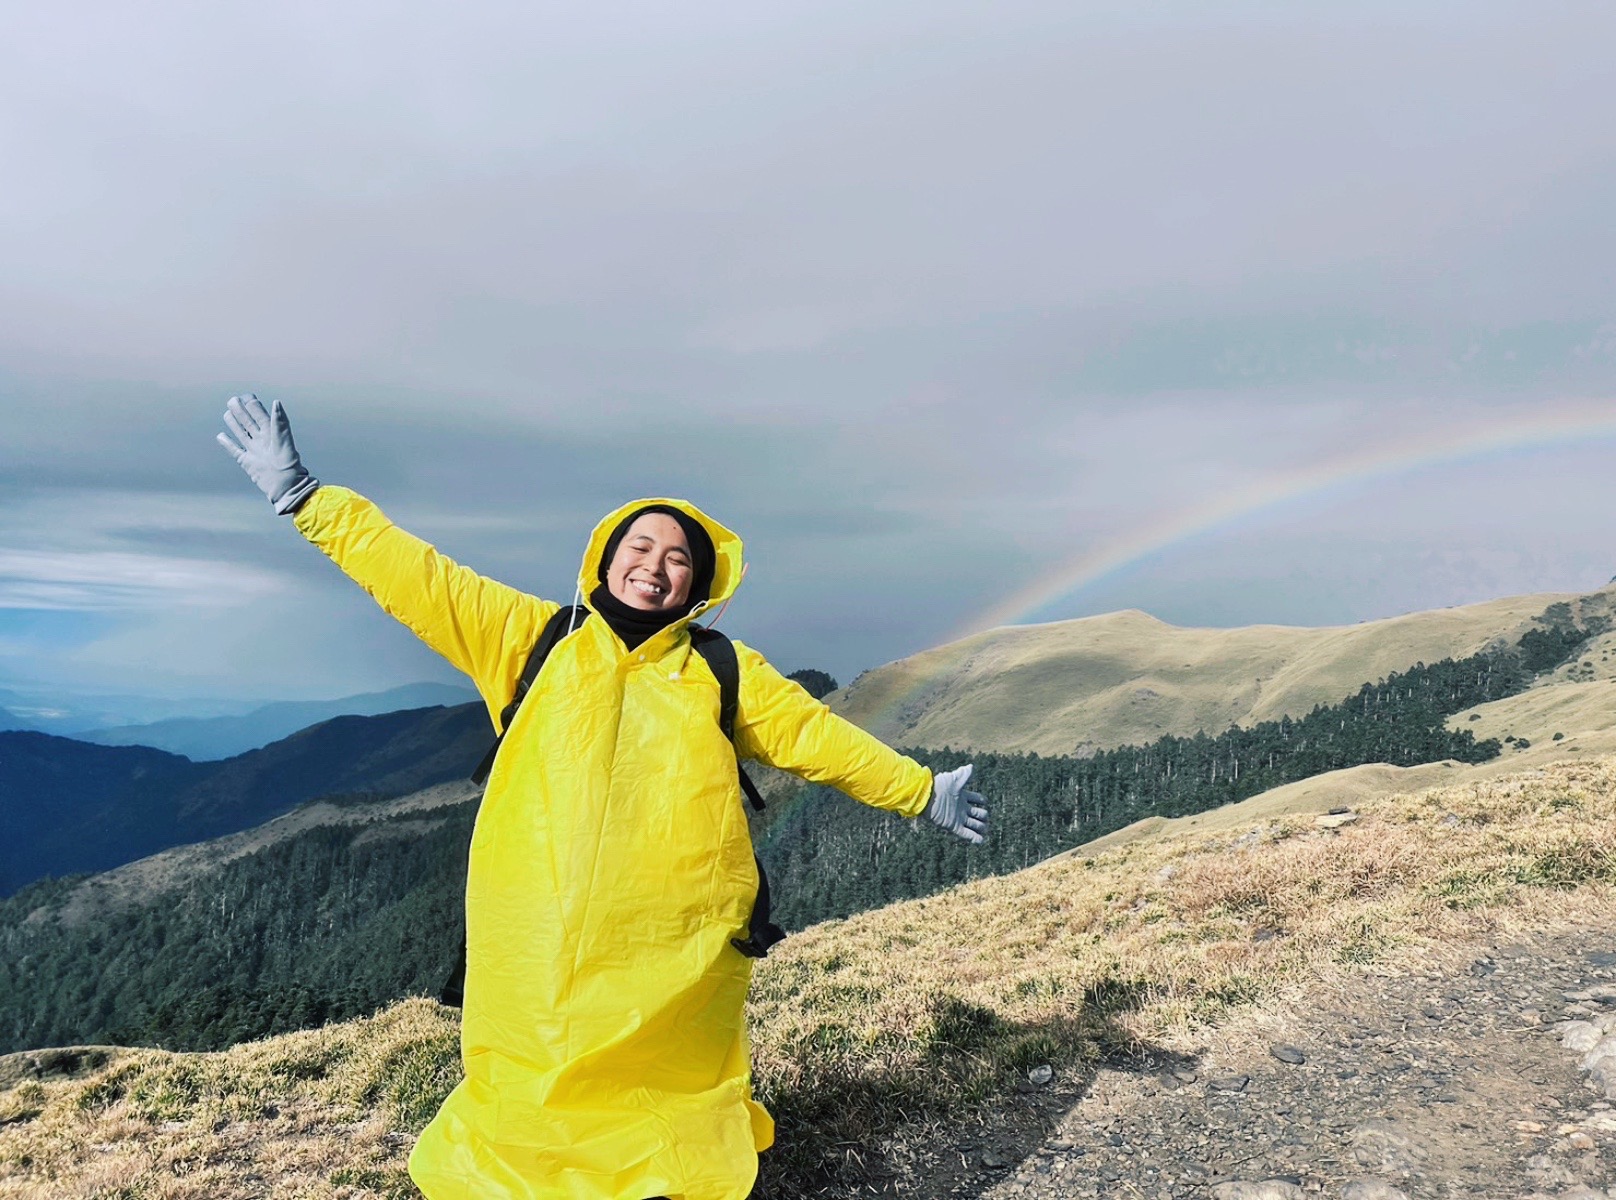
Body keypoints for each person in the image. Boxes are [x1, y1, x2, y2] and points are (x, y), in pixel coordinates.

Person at [217, 395, 990, 1200]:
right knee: (533, 1068)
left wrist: (919, 790)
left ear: (700, 583)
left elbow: (817, 738)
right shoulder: (531, 639)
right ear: (607, 557)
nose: (655, 565)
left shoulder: (724, 670)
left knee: (666, 1076)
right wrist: (305, 498)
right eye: (640, 546)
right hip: (536, 926)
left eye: (678, 558)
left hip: (674, 934)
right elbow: (417, 577)